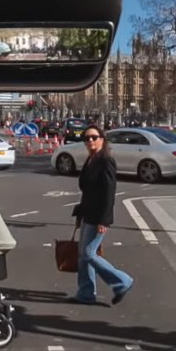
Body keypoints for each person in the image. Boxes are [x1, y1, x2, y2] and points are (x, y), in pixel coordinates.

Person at [70, 126, 134, 305]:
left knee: (89, 253)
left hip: (99, 216)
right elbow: (88, 191)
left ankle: (122, 281)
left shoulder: (106, 161)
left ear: (102, 139)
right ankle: (86, 293)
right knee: (83, 256)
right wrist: (80, 214)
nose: (90, 141)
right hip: (87, 214)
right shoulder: (91, 160)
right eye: (86, 138)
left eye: (94, 137)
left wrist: (104, 220)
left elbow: (109, 193)